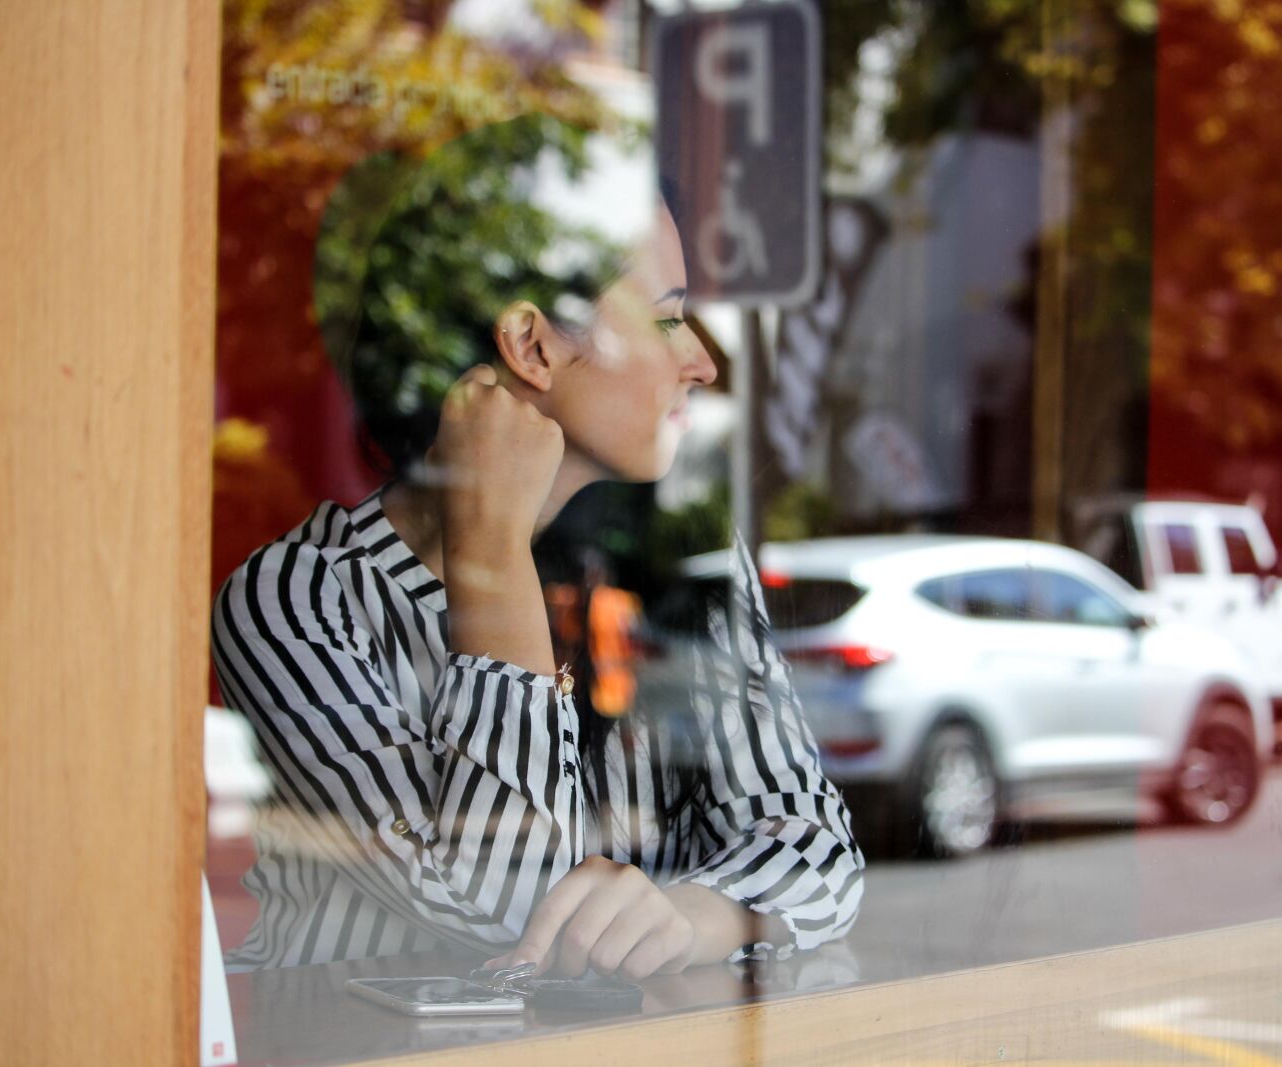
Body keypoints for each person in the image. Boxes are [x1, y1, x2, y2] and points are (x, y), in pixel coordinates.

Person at [211, 115, 864, 979]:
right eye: (668, 320)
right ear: (529, 346)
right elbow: (506, 905)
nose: (703, 362)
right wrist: (490, 547)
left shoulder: (671, 561)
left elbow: (821, 849)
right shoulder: (299, 600)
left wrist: (694, 915)